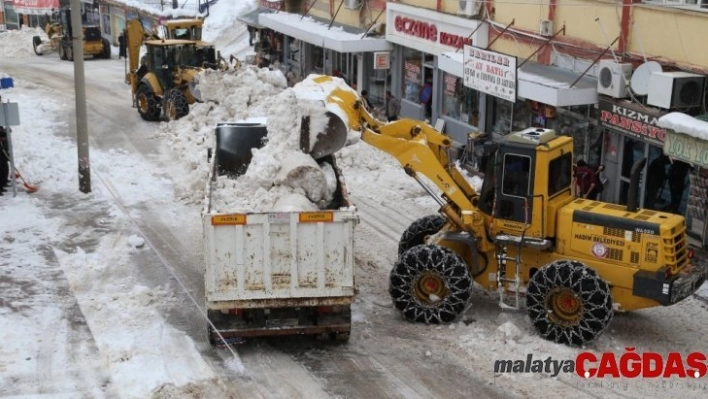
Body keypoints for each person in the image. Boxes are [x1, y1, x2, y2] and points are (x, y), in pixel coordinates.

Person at [0, 127, 9, 196]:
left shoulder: (2, 142)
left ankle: (1, 187)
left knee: (4, 172)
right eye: (3, 138)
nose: (4, 139)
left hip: (2, 160)